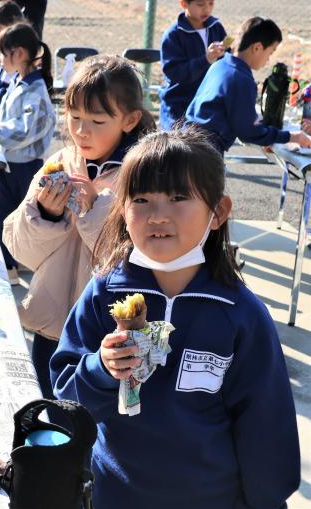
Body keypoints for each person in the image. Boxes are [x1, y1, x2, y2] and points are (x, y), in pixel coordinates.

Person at [50, 128, 301, 508]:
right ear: (122, 209)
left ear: (218, 213)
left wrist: (267, 501)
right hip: (114, 495)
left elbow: (266, 426)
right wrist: (100, 368)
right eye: (142, 199)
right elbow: (66, 396)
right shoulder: (104, 295)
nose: (158, 216)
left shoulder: (240, 314)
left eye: (179, 198)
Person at [3, 55, 154, 397]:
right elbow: (19, 249)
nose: (82, 131)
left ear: (129, 120)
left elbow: (131, 259)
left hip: (106, 335)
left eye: (98, 121)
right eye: (74, 117)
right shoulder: (60, 162)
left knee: (91, 426)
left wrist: (93, 207)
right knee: (47, 413)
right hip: (51, 328)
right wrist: (46, 214)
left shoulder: (143, 176)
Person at [0, 22, 56, 286]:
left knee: (24, 221)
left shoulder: (34, 91)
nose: (0, 60)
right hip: (10, 165)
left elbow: (24, 131)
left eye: (4, 53)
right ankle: (10, 268)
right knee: (5, 220)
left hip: (26, 168)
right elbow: (7, 119)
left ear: (20, 53)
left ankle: (18, 268)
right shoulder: (19, 83)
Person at [185, 17, 311, 152]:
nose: (268, 60)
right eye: (270, 52)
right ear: (257, 48)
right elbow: (247, 132)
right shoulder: (241, 78)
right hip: (203, 154)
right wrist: (291, 137)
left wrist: (264, 134)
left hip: (188, 142)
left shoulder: (219, 65)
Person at [159, 0, 226, 131]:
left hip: (208, 104)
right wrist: (206, 60)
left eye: (211, 3)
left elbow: (226, 61)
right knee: (179, 149)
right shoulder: (174, 35)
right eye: (200, 4)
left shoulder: (216, 28)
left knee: (210, 147)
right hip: (179, 106)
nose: (207, 9)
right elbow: (175, 73)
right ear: (184, 4)